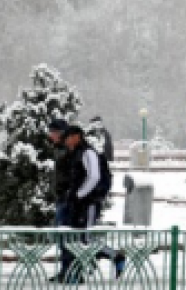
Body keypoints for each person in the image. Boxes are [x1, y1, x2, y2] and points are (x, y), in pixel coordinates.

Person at [62, 125, 125, 283]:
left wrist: (79, 194)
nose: (66, 141)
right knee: (77, 238)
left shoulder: (87, 152)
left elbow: (94, 177)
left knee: (86, 239)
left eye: (68, 137)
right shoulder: (77, 153)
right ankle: (79, 272)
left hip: (88, 203)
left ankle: (115, 256)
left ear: (77, 136)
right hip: (80, 203)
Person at [46, 119, 73, 283]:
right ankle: (68, 270)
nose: (50, 136)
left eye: (53, 132)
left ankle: (70, 272)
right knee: (63, 237)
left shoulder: (68, 150)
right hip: (61, 199)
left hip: (68, 201)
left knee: (67, 238)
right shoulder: (59, 149)